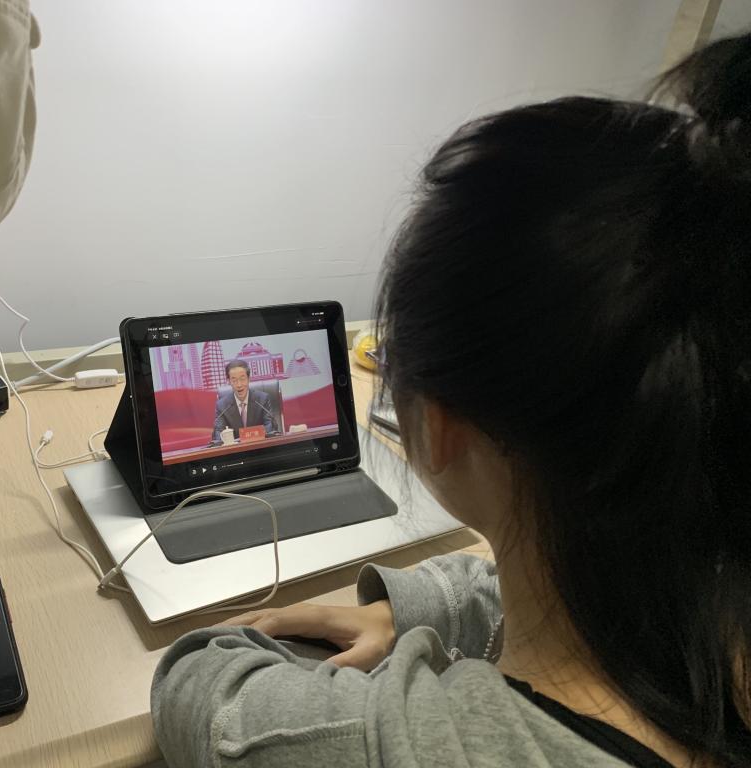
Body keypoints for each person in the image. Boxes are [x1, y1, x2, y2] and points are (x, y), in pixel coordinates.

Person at [152, 33, 751, 768]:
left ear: (436, 427)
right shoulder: (705, 577)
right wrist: (411, 610)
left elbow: (197, 686)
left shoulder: (402, 747)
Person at [210, 360, 279, 444]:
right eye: (234, 380)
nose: (239, 385)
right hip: (235, 451)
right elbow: (219, 435)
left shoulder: (262, 399)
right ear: (229, 381)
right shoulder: (222, 406)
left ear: (249, 379)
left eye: (242, 379)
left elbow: (270, 428)